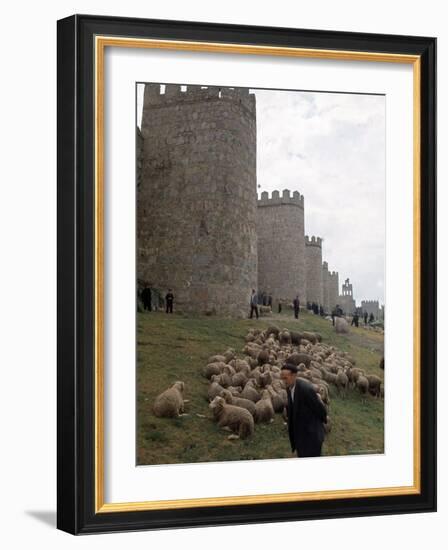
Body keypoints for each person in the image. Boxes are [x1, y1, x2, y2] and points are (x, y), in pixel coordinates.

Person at [281, 364, 328, 458]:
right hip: (300, 434)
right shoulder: (289, 388)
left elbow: (321, 409)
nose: (283, 381)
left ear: (294, 376)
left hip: (311, 436)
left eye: (285, 378)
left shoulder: (306, 389)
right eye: (282, 378)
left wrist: (317, 426)